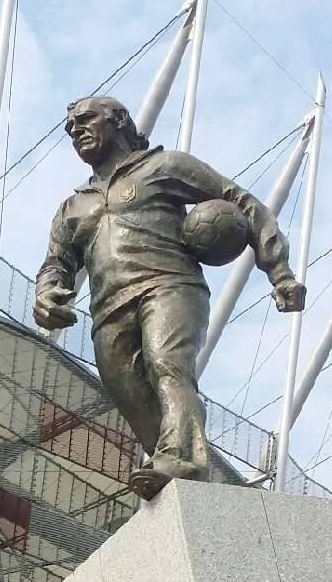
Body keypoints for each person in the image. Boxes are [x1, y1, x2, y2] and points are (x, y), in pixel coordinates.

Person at [35, 95, 307, 498]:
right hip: (107, 310)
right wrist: (46, 293)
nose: (76, 130)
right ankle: (179, 469)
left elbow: (243, 203)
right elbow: (56, 263)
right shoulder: (72, 207)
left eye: (86, 119)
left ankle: (182, 457)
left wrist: (279, 271)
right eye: (70, 127)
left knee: (167, 364)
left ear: (120, 120)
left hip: (169, 286)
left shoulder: (163, 166)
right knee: (131, 395)